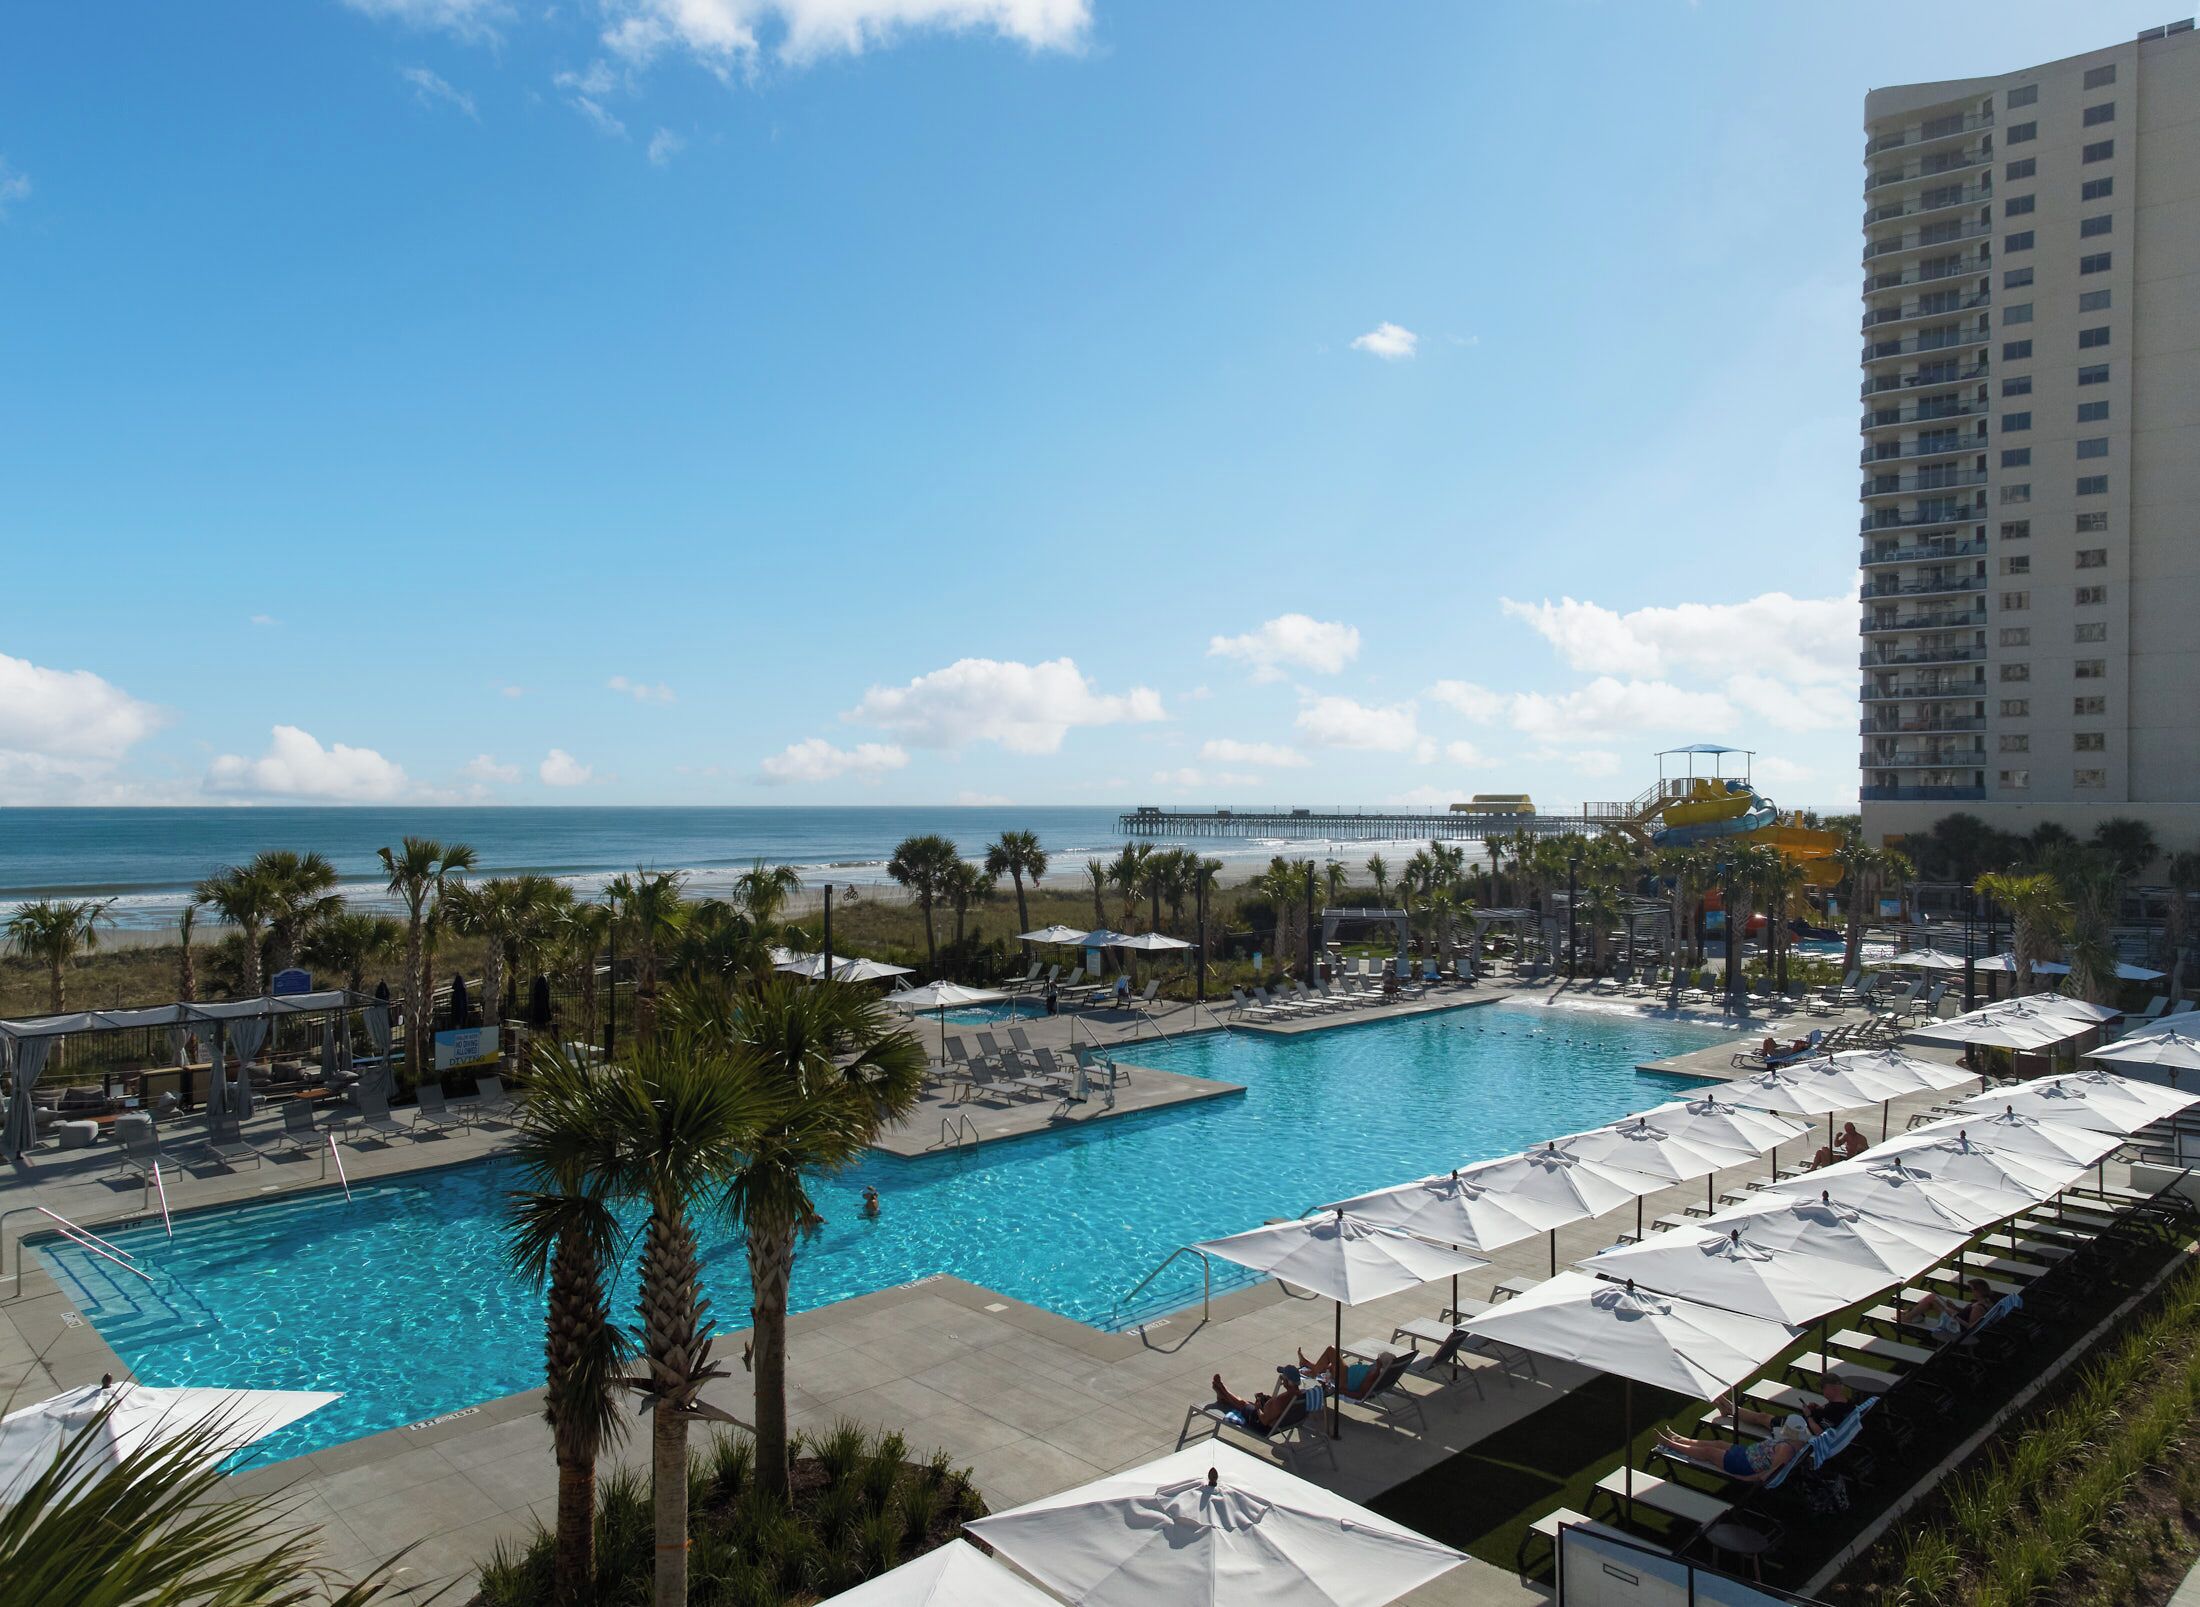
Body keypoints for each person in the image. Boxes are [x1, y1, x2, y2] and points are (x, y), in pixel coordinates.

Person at [1655, 1417, 1809, 1483]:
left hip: (1744, 1465)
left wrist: (1747, 1479)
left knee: (1709, 1452)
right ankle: (1682, 1440)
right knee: (1719, 1443)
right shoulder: (1798, 1443)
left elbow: (1770, 1473)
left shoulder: (1786, 1450)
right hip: (1747, 1454)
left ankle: (1670, 1444)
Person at [1714, 1376, 1854, 1437]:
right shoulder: (1847, 1403)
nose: (1822, 1392)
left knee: (1762, 1418)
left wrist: (1809, 1415)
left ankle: (1729, 1408)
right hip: (1801, 1426)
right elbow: (1827, 1417)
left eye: (1823, 1388)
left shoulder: (1835, 1410)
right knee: (1764, 1417)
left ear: (1832, 1388)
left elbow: (1819, 1432)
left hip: (1801, 1434)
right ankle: (1729, 1408)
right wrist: (1818, 1409)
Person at [1208, 1366, 1309, 1436]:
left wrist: (1258, 1409)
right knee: (1249, 1404)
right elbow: (1279, 1411)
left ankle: (1223, 1390)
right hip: (1284, 1423)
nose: (1282, 1379)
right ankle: (1223, 1396)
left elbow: (1264, 1421)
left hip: (1263, 1426)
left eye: (1283, 1377)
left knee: (1243, 1404)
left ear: (1286, 1381)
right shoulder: (1302, 1395)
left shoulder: (1281, 1401)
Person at [1295, 1345, 1392, 1401]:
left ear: (1380, 1363)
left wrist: (1340, 1391)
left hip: (1345, 1381)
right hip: (1346, 1375)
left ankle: (1313, 1373)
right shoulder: (1377, 1371)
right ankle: (1306, 1364)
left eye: (1378, 1360)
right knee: (1328, 1367)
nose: (1376, 1360)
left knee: (1331, 1350)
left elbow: (1360, 1395)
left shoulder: (1373, 1374)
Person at [1910, 1278, 1993, 1340]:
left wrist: (1954, 1315)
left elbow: (1970, 1327)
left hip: (1955, 1326)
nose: (1971, 1292)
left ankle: (1907, 1318)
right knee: (1934, 1298)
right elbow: (1967, 1314)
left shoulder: (1979, 1308)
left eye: (1971, 1289)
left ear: (1977, 1291)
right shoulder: (1986, 1302)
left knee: (1931, 1299)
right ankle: (1911, 1316)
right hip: (1955, 1319)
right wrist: (1955, 1308)